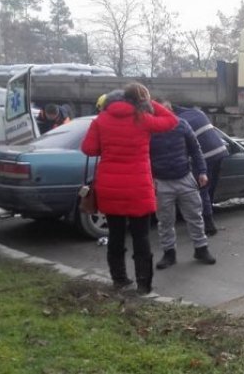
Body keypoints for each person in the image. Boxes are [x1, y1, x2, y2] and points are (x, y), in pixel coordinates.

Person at [81, 82, 178, 295]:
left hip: (110, 188)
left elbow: (88, 148)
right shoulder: (141, 118)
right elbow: (172, 120)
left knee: (115, 236)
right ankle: (144, 284)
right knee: (141, 237)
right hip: (138, 189)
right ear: (137, 100)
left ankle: (120, 280)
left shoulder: (102, 119)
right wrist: (148, 101)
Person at [150, 101, 217, 270]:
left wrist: (202, 171)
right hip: (161, 181)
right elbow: (144, 155)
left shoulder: (181, 124)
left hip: (184, 178)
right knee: (165, 221)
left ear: (171, 111)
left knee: (195, 215)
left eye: (167, 111)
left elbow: (196, 149)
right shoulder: (150, 130)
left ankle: (201, 249)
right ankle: (169, 254)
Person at [170, 103, 229, 235]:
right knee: (210, 188)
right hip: (220, 152)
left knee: (202, 190)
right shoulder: (197, 113)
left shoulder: (180, 121)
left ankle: (209, 225)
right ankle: (208, 215)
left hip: (205, 156)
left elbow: (184, 146)